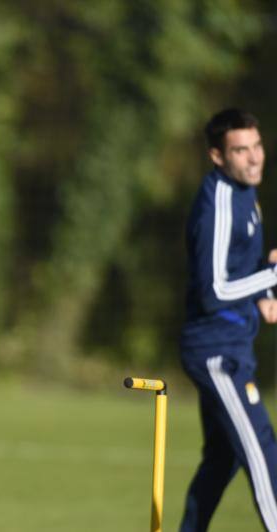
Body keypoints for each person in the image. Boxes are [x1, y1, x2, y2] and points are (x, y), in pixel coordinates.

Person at [179, 108, 277, 531]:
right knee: (263, 451)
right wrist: (272, 276)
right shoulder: (217, 204)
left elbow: (242, 267)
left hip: (233, 340)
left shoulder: (243, 191)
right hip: (216, 350)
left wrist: (265, 294)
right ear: (218, 156)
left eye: (257, 146)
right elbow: (213, 290)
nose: (254, 158)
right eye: (241, 150)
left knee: (222, 458)